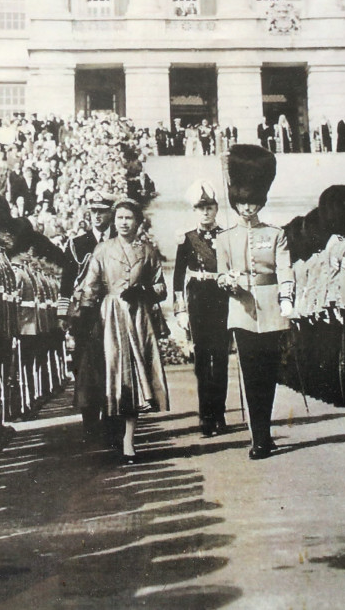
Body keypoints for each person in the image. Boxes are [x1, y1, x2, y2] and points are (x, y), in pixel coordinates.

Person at [215, 145, 295, 460]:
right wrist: (228, 281)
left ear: (260, 201)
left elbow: (284, 267)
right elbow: (221, 274)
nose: (247, 207)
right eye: (242, 202)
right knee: (250, 374)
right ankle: (259, 437)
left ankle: (265, 429)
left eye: (252, 201)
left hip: (272, 308)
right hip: (242, 311)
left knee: (269, 373)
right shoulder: (225, 237)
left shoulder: (275, 234)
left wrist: (287, 296)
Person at [79, 198, 170, 463]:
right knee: (112, 374)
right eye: (119, 218)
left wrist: (144, 291)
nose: (123, 222)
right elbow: (91, 285)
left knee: (135, 377)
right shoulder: (103, 250)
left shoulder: (148, 251)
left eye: (129, 218)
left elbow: (160, 287)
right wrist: (87, 316)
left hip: (138, 317)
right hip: (109, 317)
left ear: (138, 222)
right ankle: (112, 437)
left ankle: (129, 441)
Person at [174, 180, 230, 437]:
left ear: (216, 209)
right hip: (197, 298)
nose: (206, 212)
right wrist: (181, 310)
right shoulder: (187, 239)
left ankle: (219, 413)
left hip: (221, 297)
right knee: (201, 361)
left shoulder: (227, 236)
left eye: (210, 207)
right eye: (201, 207)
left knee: (219, 359)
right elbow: (177, 278)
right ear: (194, 210)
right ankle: (205, 415)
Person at [58, 191, 114, 438]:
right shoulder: (76, 244)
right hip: (85, 315)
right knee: (84, 364)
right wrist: (63, 314)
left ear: (110, 213)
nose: (97, 216)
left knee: (111, 361)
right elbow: (66, 282)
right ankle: (90, 419)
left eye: (102, 211)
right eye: (94, 211)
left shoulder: (120, 240)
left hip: (112, 310)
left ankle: (113, 416)